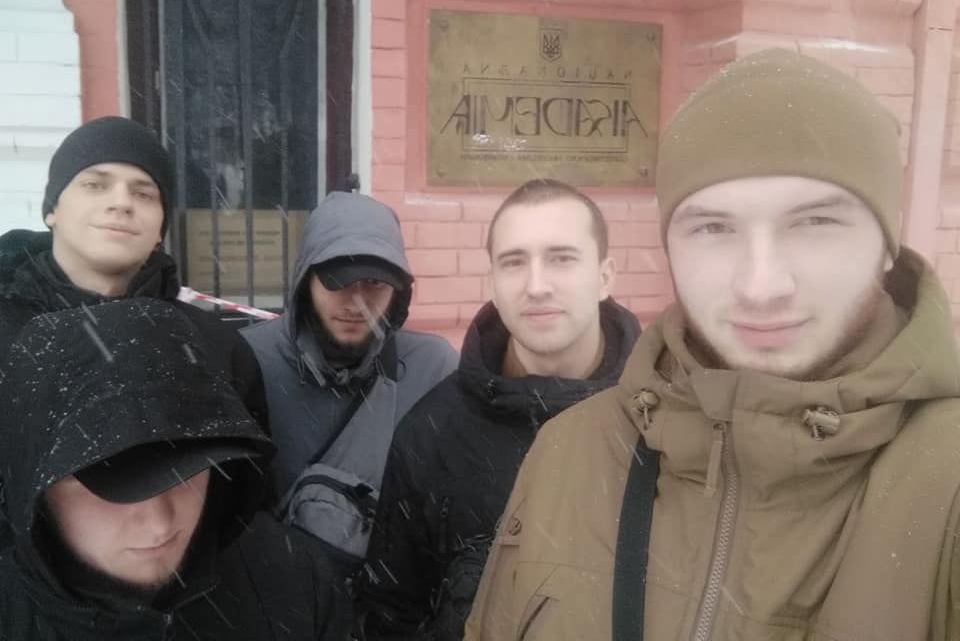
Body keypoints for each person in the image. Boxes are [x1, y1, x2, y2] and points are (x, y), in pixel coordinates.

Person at [465, 49, 960, 640]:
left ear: (886, 244)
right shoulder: (570, 451)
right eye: (713, 228)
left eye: (815, 223)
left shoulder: (945, 487)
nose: (760, 286)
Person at [359, 179, 641, 640]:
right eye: (514, 262)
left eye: (562, 258)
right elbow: (391, 613)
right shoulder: (432, 432)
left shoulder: (669, 421)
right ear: (491, 282)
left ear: (605, 277)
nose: (537, 286)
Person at [0, 298, 349, 641]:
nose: (159, 524)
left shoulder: (292, 581)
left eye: (187, 469)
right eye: (112, 482)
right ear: (37, 487)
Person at [0, 116, 269, 546]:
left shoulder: (214, 347)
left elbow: (242, 497)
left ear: (160, 228)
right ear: (52, 209)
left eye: (144, 193)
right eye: (95, 184)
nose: (122, 203)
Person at [240, 190, 459, 565]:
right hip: (273, 583)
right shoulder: (246, 361)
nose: (357, 302)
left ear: (399, 291)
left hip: (389, 587)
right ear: (306, 280)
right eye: (338, 281)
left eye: (375, 282)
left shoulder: (432, 368)